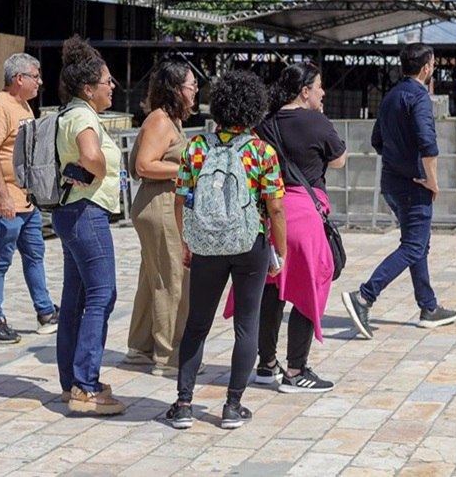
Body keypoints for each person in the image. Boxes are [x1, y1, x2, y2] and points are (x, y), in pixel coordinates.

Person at [165, 70, 287, 431]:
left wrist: (186, 241)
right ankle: (232, 406)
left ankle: (183, 404)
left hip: (207, 245)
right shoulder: (262, 152)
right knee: (246, 324)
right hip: (251, 244)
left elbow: (180, 199)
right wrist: (280, 251)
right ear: (255, 109)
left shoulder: (196, 147)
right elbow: (276, 208)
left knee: (197, 324)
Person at [341, 43, 456, 339]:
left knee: (417, 243)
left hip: (392, 183)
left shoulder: (391, 96)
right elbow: (428, 146)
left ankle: (428, 307)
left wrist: (398, 161)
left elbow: (377, 140)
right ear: (426, 68)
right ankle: (364, 296)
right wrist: (431, 180)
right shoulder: (419, 97)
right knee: (414, 246)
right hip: (413, 185)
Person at [252, 63, 347, 394]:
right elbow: (339, 160)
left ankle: (266, 364)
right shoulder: (317, 122)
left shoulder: (264, 123)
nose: (323, 92)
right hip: (305, 217)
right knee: (309, 288)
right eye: (319, 86)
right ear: (305, 91)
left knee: (271, 289)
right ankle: (296, 370)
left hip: (271, 214)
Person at [52, 37, 125, 416]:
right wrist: (95, 170)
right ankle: (86, 385)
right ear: (87, 88)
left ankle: (72, 381)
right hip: (87, 213)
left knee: (76, 300)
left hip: (71, 212)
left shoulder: (70, 113)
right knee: (102, 295)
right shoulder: (83, 117)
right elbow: (92, 156)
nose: (112, 87)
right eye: (107, 81)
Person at [0, 53, 58, 345]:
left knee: (35, 254)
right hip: (7, 199)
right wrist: (2, 197)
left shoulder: (24, 106)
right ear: (18, 78)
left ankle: (45, 311)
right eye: (35, 76)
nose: (40, 82)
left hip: (26, 199)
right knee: (0, 260)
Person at [124, 60, 196, 375]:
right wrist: (187, 170)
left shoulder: (171, 120)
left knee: (152, 276)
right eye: (192, 85)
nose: (195, 90)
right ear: (176, 89)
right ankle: (169, 356)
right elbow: (143, 165)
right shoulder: (160, 120)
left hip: (163, 203)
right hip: (160, 204)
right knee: (172, 278)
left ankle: (140, 347)